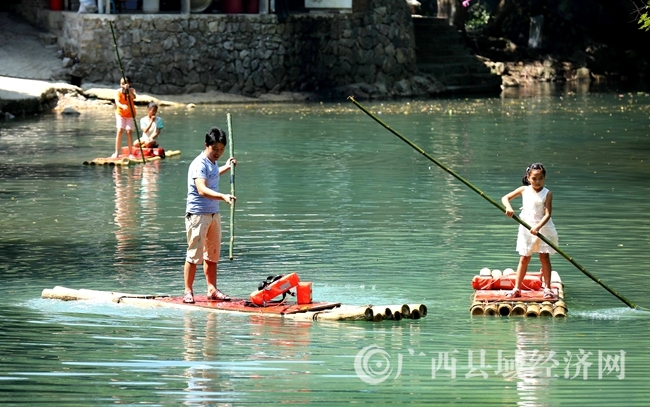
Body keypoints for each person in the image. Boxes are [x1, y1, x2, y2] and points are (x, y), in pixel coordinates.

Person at [183, 127, 237, 304]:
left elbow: (212, 174)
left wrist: (226, 167)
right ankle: (188, 291)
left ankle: (212, 289)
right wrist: (222, 196)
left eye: (221, 150)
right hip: (198, 214)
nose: (218, 153)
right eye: (215, 149)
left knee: (212, 255)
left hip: (214, 213)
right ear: (206, 145)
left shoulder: (212, 163)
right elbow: (201, 189)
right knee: (194, 255)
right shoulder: (199, 163)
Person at [501, 163, 558, 299]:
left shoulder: (547, 193)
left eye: (541, 178)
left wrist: (537, 227)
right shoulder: (523, 189)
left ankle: (547, 288)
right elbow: (505, 198)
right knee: (524, 258)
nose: (537, 182)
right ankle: (517, 289)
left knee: (544, 257)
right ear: (528, 178)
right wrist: (509, 208)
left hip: (542, 227)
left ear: (544, 178)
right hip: (526, 227)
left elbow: (547, 214)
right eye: (534, 178)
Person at [112, 76, 136, 158]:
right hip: (120, 114)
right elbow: (117, 102)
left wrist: (128, 90)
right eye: (121, 84)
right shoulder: (118, 92)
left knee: (129, 131)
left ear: (129, 84)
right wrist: (122, 106)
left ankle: (130, 153)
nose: (123, 85)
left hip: (130, 114)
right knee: (120, 130)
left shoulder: (131, 90)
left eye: (124, 83)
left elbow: (134, 97)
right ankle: (116, 152)